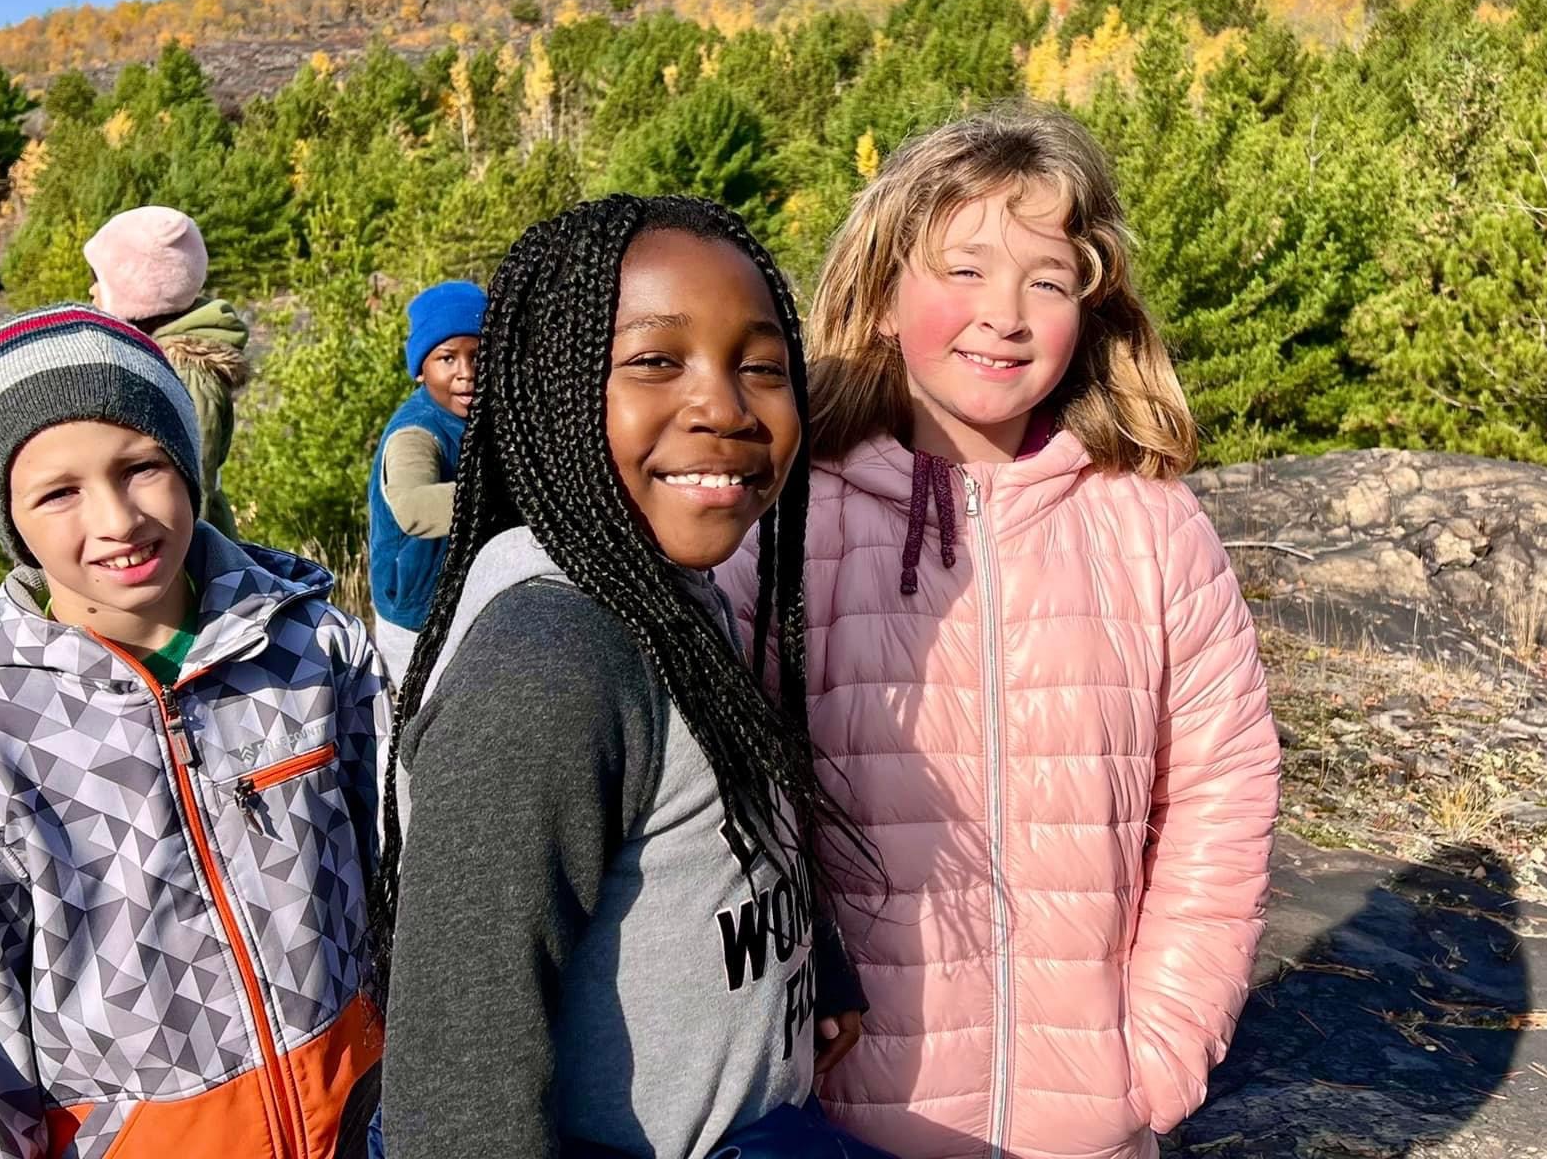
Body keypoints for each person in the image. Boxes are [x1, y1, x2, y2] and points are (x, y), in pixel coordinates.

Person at [720, 103, 1280, 1159]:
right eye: (962, 270)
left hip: (1091, 1122)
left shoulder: (1151, 525)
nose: (1004, 315)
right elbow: (722, 808)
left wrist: (1159, 1051)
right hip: (838, 1123)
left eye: (1047, 280)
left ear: (1090, 304)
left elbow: (1221, 793)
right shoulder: (786, 527)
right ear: (883, 292)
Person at [376, 196, 890, 1159]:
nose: (726, 407)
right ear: (546, 388)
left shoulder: (675, 587)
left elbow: (726, 812)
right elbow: (461, 1073)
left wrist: (813, 954)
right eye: (657, 361)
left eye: (765, 367)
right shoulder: (552, 659)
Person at [0, 303, 382, 1157]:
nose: (117, 519)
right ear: (9, 519)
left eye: (142, 466)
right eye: (59, 492)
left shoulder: (314, 651)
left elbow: (406, 885)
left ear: (189, 467)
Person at [86, 204, 249, 539]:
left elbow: (190, 492)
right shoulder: (165, 361)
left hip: (188, 565)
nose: (91, 292)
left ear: (136, 292)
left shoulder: (188, 373)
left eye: (98, 280)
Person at [365, 280, 484, 689]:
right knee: (421, 713)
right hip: (414, 612)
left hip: (460, 598)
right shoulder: (417, 431)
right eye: (447, 359)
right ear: (421, 370)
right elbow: (413, 507)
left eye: (478, 355)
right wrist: (508, 494)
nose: (465, 374)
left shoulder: (485, 416)